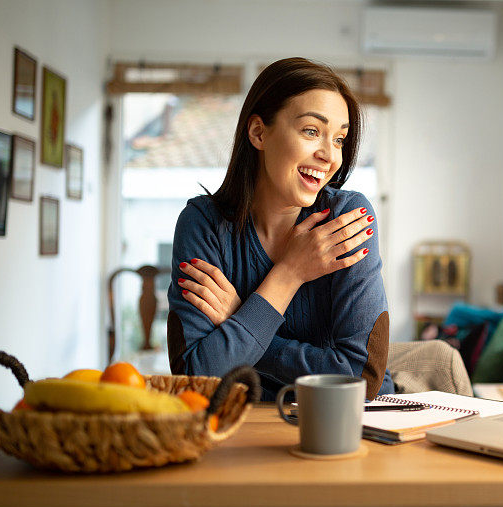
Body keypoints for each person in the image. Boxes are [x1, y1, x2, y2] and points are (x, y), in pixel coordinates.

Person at [166, 57, 394, 401]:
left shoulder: (346, 219)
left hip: (352, 424)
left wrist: (241, 318)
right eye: (312, 131)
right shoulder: (203, 224)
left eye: (339, 139)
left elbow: (360, 379)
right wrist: (288, 275)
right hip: (241, 429)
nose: (330, 156)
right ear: (259, 132)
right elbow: (196, 377)